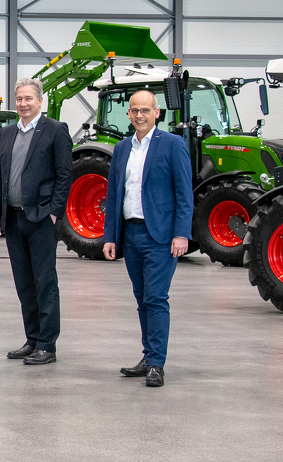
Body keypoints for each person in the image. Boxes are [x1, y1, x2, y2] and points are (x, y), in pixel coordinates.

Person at [102, 90, 194, 388]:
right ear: (128, 115)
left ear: (157, 113)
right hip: (131, 234)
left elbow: (184, 194)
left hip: (161, 236)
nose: (139, 115)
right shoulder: (121, 149)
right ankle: (148, 355)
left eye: (145, 110)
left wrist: (181, 233)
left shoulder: (172, 144)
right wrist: (110, 236)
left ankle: (156, 363)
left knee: (156, 298)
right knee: (142, 299)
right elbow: (115, 195)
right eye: (134, 111)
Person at [0, 77, 72, 366]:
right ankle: (32, 339)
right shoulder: (8, 133)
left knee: (45, 282)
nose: (23, 104)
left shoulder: (56, 131)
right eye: (19, 99)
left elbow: (64, 176)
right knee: (24, 283)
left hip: (41, 219)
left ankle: (47, 344)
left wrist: (53, 213)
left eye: (28, 99)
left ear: (40, 101)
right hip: (13, 219)